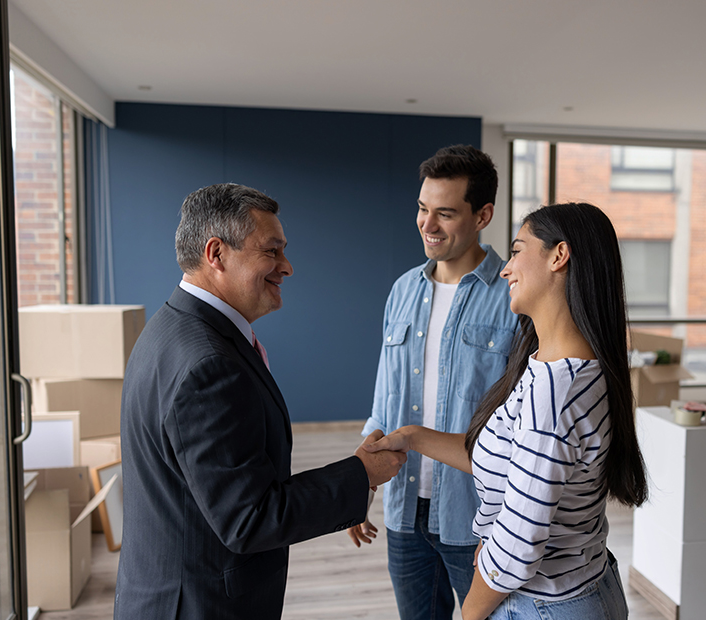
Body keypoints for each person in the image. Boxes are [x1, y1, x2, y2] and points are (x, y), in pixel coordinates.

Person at [114, 183, 406, 620]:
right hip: (199, 606)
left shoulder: (169, 329)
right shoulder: (208, 364)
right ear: (217, 254)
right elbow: (248, 518)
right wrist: (361, 473)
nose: (286, 267)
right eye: (271, 252)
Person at [364, 203, 649, 620]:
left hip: (542, 605)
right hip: (583, 585)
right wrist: (411, 436)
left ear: (559, 256)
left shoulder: (555, 391)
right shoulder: (559, 366)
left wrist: (471, 614)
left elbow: (516, 547)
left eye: (517, 251)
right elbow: (517, 466)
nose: (506, 268)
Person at [347, 145, 517, 620]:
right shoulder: (403, 290)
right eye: (423, 209)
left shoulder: (513, 297)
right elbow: (385, 402)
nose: (427, 224)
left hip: (478, 518)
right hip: (404, 512)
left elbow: (521, 420)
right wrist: (362, 482)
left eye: (445, 213)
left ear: (483, 214)